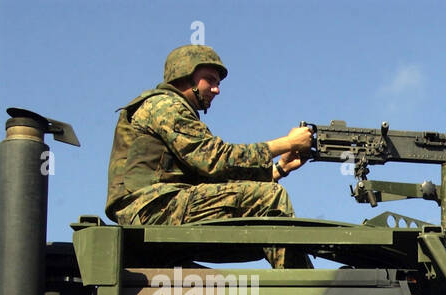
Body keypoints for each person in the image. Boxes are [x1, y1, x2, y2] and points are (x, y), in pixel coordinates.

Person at [104, 44, 314, 267]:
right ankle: (312, 294)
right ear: (185, 74)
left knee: (266, 197)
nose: (216, 90)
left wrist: (279, 169)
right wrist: (287, 143)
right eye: (210, 80)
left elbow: (213, 178)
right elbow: (214, 159)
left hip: (161, 205)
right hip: (153, 209)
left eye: (218, 83)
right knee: (272, 197)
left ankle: (306, 288)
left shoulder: (173, 109)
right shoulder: (164, 105)